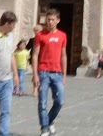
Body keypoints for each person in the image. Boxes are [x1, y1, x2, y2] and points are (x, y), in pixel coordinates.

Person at [33, 7, 68, 136]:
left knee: (60, 101)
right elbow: (35, 55)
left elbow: (63, 55)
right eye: (48, 19)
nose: (50, 22)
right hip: (43, 72)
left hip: (57, 72)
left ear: (58, 20)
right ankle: (44, 128)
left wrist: (64, 74)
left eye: (53, 19)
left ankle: (49, 120)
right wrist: (35, 74)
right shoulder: (40, 35)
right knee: (42, 101)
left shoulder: (62, 35)